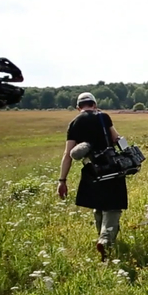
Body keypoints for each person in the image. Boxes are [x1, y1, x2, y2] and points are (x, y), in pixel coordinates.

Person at [57, 92, 128, 260]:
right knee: (113, 206)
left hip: (92, 170)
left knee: (98, 206)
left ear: (78, 107)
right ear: (94, 104)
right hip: (112, 167)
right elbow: (116, 138)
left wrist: (62, 180)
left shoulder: (74, 123)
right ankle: (105, 241)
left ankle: (104, 243)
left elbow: (68, 154)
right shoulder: (103, 117)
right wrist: (129, 155)